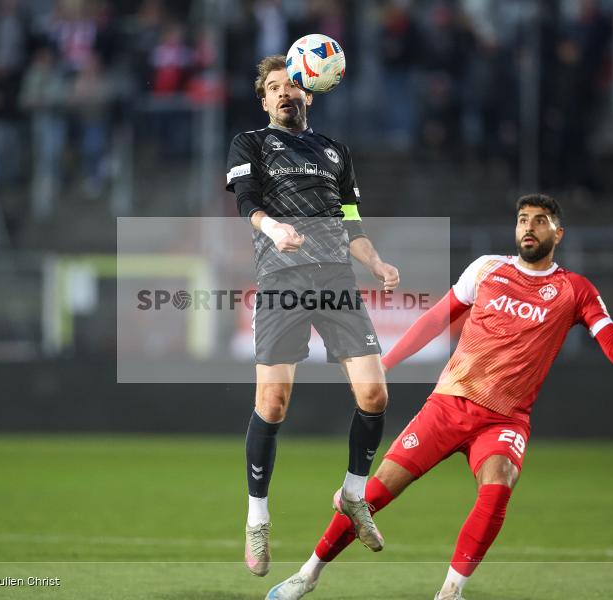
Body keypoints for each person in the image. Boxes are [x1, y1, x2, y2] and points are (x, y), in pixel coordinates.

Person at [266, 194, 613, 600]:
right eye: (523, 220)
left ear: (558, 232)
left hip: (505, 419)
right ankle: (307, 575)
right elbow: (436, 319)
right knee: (373, 493)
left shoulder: (575, 290)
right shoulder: (487, 269)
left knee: (499, 484)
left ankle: (450, 592)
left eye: (540, 221)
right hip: (449, 404)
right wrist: (386, 363)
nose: (529, 228)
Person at [225, 55, 401, 577]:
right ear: (264, 101)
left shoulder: (335, 152)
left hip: (336, 280)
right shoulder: (250, 144)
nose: (284, 94)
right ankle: (257, 516)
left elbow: (351, 222)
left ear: (311, 93)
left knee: (375, 394)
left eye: (291, 86)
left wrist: (375, 261)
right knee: (273, 402)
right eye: (273, 88)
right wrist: (273, 228)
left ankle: (352, 494)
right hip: (281, 278)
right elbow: (245, 202)